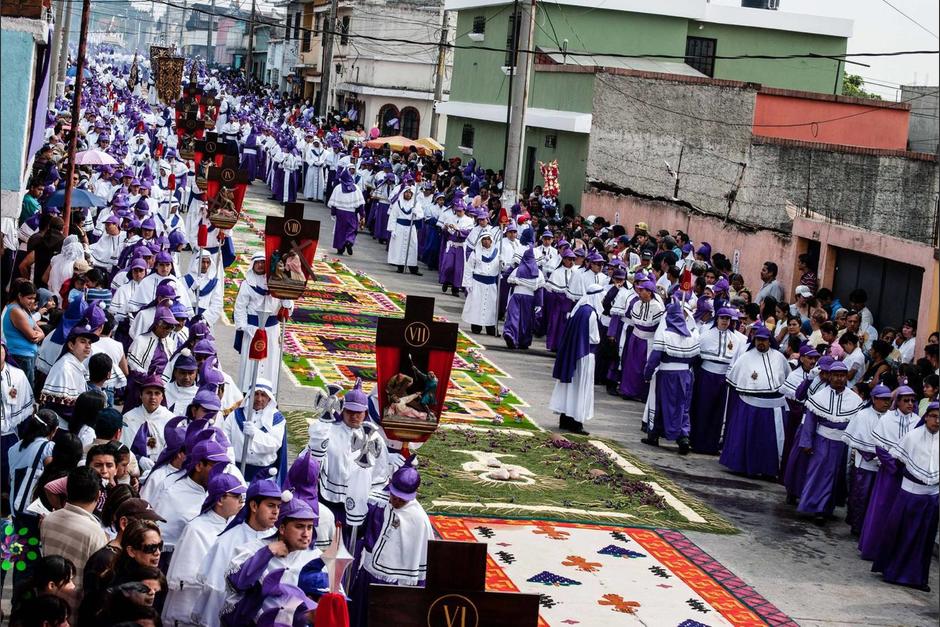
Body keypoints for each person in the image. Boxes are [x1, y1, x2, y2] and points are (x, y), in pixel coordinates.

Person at [221, 495, 330, 626]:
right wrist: (267, 553)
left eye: (309, 527)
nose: (306, 534)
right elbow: (236, 583)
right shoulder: (254, 549)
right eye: (299, 526)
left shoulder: (317, 557)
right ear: (282, 528)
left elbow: (332, 600)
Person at [192, 475, 283, 627]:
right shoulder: (227, 541)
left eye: (278, 507)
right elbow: (216, 591)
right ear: (254, 506)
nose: (276, 512)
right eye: (271, 505)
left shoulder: (278, 539)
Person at [349, 466, 432, 627]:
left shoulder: (420, 521)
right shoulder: (377, 502)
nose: (397, 501)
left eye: (403, 499)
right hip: (369, 575)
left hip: (395, 584)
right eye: (395, 496)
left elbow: (423, 558)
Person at [163, 473, 247, 627]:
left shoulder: (233, 527)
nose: (241, 501)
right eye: (236, 497)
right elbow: (189, 578)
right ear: (221, 499)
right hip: (189, 606)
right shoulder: (196, 529)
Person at [871, 401, 938, 592]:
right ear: (926, 417)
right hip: (910, 493)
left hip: (931, 497)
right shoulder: (913, 437)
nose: (937, 421)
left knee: (923, 539)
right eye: (933, 416)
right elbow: (898, 461)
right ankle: (893, 572)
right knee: (902, 534)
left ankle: (917, 578)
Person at [794, 361, 863, 523]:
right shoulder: (819, 398)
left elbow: (857, 424)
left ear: (846, 377)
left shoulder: (854, 399)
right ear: (830, 377)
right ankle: (814, 507)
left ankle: (826, 508)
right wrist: (806, 443)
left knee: (836, 477)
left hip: (843, 443)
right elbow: (810, 422)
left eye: (842, 376)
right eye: (836, 375)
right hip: (822, 441)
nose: (839, 379)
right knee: (819, 475)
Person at [858, 386, 921, 560]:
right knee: (882, 509)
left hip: (909, 475)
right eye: (906, 400)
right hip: (889, 474)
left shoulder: (917, 421)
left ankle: (893, 553)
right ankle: (873, 549)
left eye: (912, 400)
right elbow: (880, 447)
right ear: (897, 401)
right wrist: (894, 466)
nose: (910, 404)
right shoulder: (886, 420)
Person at [719, 326, 791, 478]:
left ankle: (769, 470)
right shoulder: (745, 358)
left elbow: (787, 377)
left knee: (769, 441)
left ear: (770, 341)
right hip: (751, 404)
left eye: (764, 340)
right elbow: (734, 382)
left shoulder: (779, 357)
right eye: (758, 340)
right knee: (750, 438)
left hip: (774, 406)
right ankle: (744, 466)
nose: (761, 343)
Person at [151, 439, 231, 566]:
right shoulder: (173, 492)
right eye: (216, 467)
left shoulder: (217, 491)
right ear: (199, 466)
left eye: (223, 467)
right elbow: (161, 539)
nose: (220, 473)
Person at [39, 465, 109, 603]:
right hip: (74, 605)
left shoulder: (48, 520)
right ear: (98, 495)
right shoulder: (95, 533)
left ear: (67, 491)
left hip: (48, 600)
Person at [641, 301, 701, 454]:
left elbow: (654, 359)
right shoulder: (692, 336)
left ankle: (654, 435)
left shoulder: (664, 336)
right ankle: (683, 436)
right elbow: (695, 359)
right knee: (682, 407)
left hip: (667, 375)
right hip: (686, 376)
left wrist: (647, 374)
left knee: (661, 405)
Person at [233, 251, 293, 395]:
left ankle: (268, 394)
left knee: (270, 362)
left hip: (272, 330)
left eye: (262, 262)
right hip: (252, 329)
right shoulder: (248, 284)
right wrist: (243, 326)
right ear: (252, 265)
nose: (260, 265)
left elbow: (288, 310)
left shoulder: (276, 283)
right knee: (250, 362)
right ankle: (246, 393)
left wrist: (286, 298)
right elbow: (240, 307)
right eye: (257, 262)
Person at [689, 307, 747, 454]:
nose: (725, 322)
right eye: (722, 318)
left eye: (728, 319)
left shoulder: (735, 339)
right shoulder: (706, 335)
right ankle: (697, 442)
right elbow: (697, 356)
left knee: (718, 412)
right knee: (702, 408)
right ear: (717, 319)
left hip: (723, 378)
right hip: (707, 375)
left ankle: (712, 444)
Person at [549, 284, 605, 435]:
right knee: (581, 388)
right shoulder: (591, 313)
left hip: (576, 353)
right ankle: (576, 421)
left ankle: (565, 418)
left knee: (571, 387)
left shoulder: (580, 310)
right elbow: (593, 338)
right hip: (585, 355)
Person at [842, 384, 893, 535]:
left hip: (883, 466)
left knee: (876, 500)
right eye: (883, 399)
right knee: (860, 497)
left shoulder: (891, 417)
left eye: (888, 400)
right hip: (864, 464)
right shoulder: (863, 415)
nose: (886, 403)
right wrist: (874, 455)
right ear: (874, 399)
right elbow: (858, 439)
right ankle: (857, 526)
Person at [222, 377, 288, 482]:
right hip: (236, 473)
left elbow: (274, 445)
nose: (259, 399)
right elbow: (223, 440)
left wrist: (255, 434)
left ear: (269, 398)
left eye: (263, 395)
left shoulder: (277, 419)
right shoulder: (235, 415)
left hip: (264, 476)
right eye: (256, 394)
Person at [616, 278, 664, 401]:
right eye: (639, 290)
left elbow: (657, 326)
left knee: (644, 366)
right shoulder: (636, 304)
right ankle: (628, 391)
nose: (640, 292)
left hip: (648, 340)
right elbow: (634, 320)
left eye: (643, 290)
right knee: (630, 364)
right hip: (635, 337)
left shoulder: (657, 307)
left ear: (649, 292)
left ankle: (642, 394)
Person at [40, 323, 98, 419]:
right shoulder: (64, 367)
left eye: (90, 343)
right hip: (61, 427)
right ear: (71, 345)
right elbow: (60, 407)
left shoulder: (75, 364)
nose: (88, 346)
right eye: (83, 342)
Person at [122, 375, 175, 462]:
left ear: (162, 397)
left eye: (157, 393)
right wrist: (138, 459)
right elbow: (123, 447)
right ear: (141, 395)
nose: (153, 397)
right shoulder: (128, 417)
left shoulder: (170, 419)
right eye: (149, 393)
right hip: (132, 465)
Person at [3, 281, 45, 387]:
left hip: (28, 355)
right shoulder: (15, 310)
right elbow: (32, 336)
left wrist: (40, 334)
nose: (32, 301)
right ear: (20, 296)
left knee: (28, 388)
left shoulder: (24, 309)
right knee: (24, 389)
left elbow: (39, 331)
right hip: (21, 356)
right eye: (29, 298)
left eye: (34, 298)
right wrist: (39, 335)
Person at [502, 247, 545, 350]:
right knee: (526, 320)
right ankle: (523, 340)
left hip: (517, 295)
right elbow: (539, 289)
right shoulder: (538, 272)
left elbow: (510, 281)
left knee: (513, 316)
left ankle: (510, 334)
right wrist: (539, 304)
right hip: (529, 297)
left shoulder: (517, 269)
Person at [461, 233, 501, 336]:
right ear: (481, 241)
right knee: (477, 305)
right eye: (484, 239)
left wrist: (502, 263)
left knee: (490, 307)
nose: (486, 241)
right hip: (478, 283)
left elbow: (502, 269)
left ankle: (490, 327)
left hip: (491, 284)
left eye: (488, 239)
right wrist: (468, 284)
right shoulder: (475, 253)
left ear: (491, 241)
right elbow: (468, 269)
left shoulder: (497, 253)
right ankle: (476, 326)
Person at [328, 168, 366, 256]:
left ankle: (340, 248)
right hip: (351, 213)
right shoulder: (356, 188)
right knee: (352, 229)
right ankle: (349, 241)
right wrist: (362, 214)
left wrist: (333, 213)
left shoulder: (338, 188)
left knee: (340, 230)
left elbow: (334, 203)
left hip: (340, 212)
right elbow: (360, 204)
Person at [386, 187, 424, 274]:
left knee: (412, 247)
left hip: (411, 227)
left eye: (410, 193)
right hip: (399, 227)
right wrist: (392, 230)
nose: (408, 194)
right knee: (399, 247)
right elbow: (393, 217)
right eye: (406, 192)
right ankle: (400, 266)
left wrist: (416, 213)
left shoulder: (416, 204)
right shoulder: (398, 204)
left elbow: (421, 214)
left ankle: (413, 267)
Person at [183, 250, 224, 325]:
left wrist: (204, 318)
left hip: (204, 321)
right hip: (186, 318)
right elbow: (182, 299)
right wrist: (192, 288)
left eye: (208, 262)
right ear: (197, 262)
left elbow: (217, 304)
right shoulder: (185, 280)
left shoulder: (214, 282)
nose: (205, 265)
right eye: (203, 262)